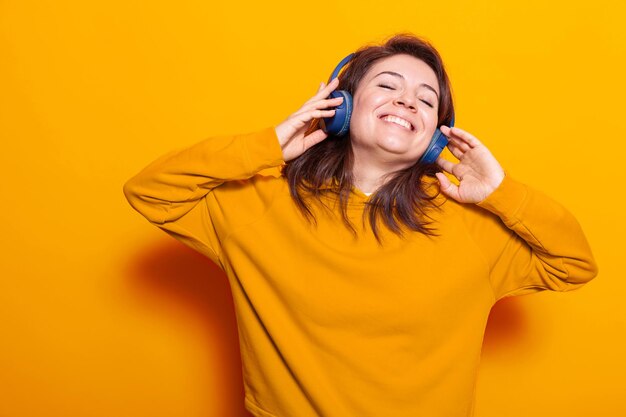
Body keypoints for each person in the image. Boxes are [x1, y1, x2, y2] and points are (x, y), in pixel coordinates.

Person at [123, 33, 598, 417]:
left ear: (437, 136)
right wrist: (269, 145)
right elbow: (150, 191)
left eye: (426, 99)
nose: (407, 102)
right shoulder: (259, 204)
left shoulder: (471, 227)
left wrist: (500, 192)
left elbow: (574, 263)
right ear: (342, 108)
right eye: (388, 85)